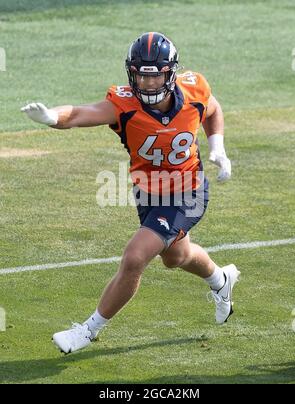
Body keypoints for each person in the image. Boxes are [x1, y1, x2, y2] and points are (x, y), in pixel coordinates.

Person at [21, 32, 240, 354]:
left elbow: (212, 108)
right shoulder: (124, 104)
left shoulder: (193, 89)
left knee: (135, 256)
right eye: (141, 76)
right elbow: (81, 114)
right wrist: (53, 117)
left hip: (187, 191)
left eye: (155, 77)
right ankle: (221, 280)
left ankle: (88, 330)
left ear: (171, 73)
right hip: (148, 191)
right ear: (131, 74)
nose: (148, 85)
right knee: (176, 257)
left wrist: (218, 148)